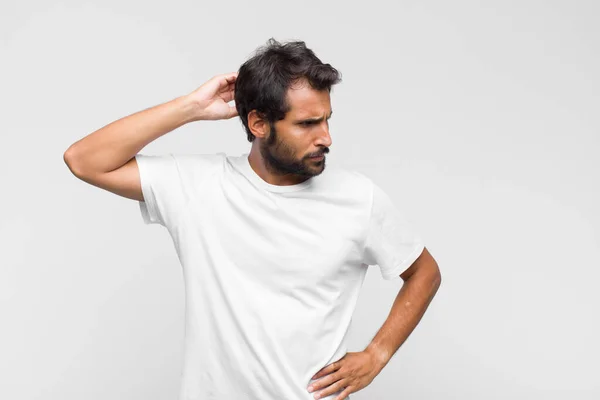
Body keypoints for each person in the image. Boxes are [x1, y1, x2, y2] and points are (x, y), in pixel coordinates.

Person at [64, 38, 441, 400]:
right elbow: (84, 160)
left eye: (327, 120)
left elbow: (424, 273)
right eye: (307, 124)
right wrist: (190, 107)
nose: (326, 137)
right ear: (259, 124)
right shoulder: (198, 187)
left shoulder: (359, 198)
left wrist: (377, 354)